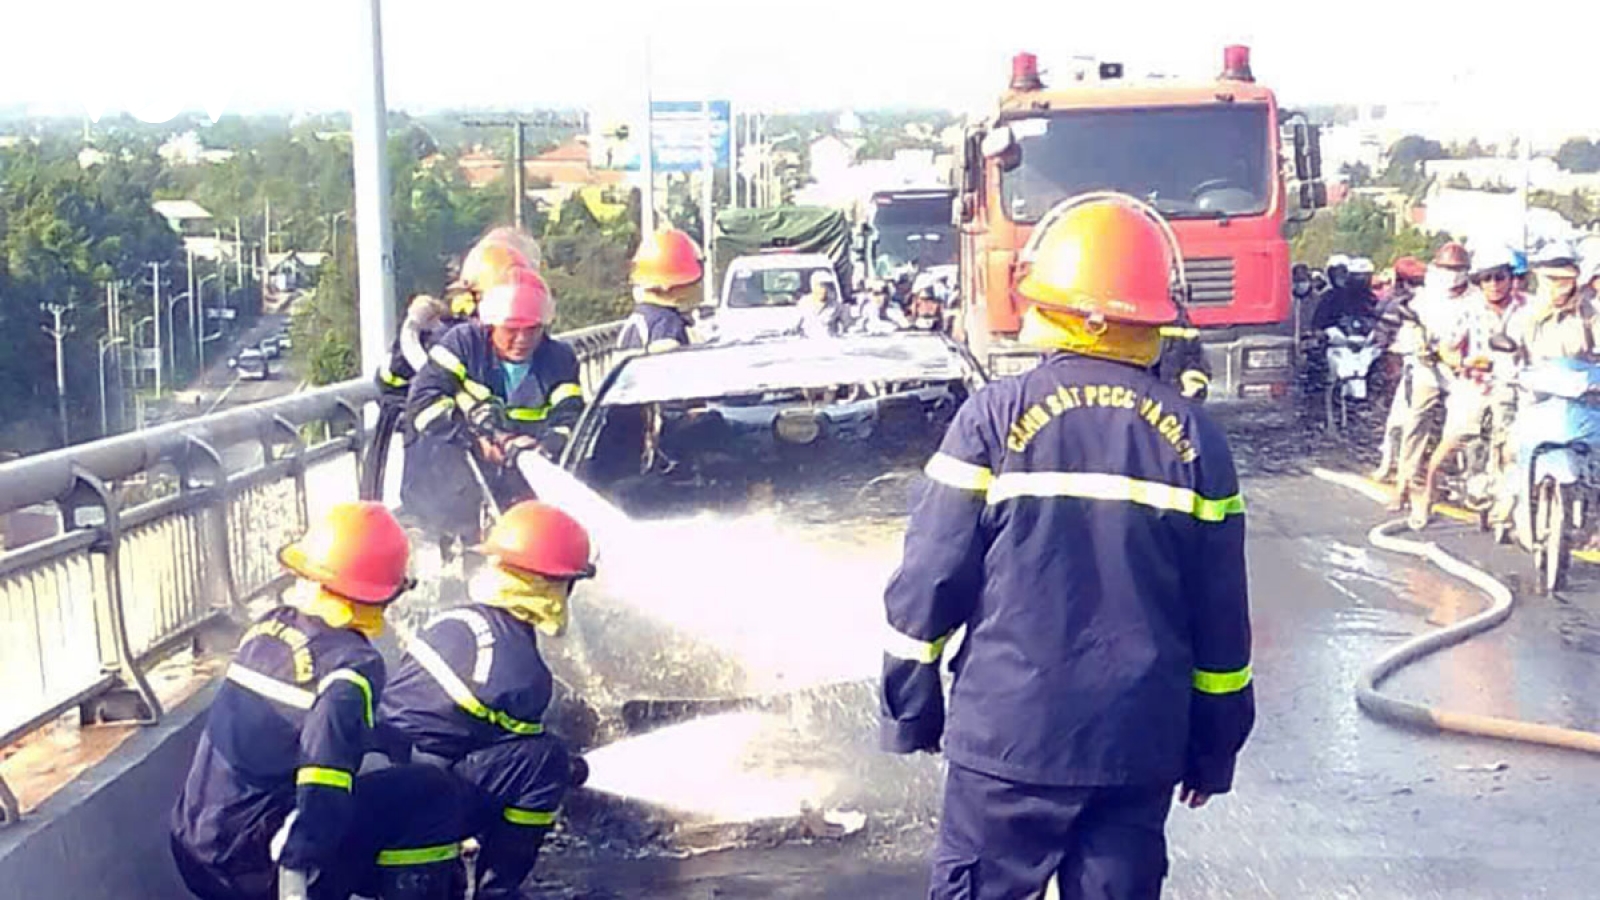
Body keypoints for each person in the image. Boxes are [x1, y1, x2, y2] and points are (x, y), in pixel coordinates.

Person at [880, 194, 1253, 900]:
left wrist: (911, 708)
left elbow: (929, 577)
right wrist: (1214, 747)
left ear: (1053, 304)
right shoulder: (1196, 440)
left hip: (1008, 739)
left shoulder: (993, 419)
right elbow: (1221, 619)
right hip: (1136, 744)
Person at [171, 503, 478, 900]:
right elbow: (324, 777)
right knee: (431, 792)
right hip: (259, 868)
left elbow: (307, 721)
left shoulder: (270, 626)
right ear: (385, 593)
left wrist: (397, 744)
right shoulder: (352, 665)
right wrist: (297, 874)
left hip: (197, 848)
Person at [380, 501, 594, 900]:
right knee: (546, 761)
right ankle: (498, 892)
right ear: (550, 585)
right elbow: (520, 761)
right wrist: (570, 768)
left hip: (380, 793)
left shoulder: (454, 621)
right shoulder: (522, 672)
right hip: (419, 811)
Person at [403, 268, 583, 552]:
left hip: (520, 491)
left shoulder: (559, 359)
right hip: (451, 489)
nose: (522, 339)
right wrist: (475, 442)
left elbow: (570, 418)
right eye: (511, 330)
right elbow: (423, 402)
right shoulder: (464, 345)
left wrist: (545, 446)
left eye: (532, 330)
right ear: (491, 324)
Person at [1414, 244, 1529, 529]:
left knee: (1515, 448)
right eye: (1486, 278)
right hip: (1475, 385)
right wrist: (1464, 362)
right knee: (1452, 441)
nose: (1493, 284)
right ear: (1478, 281)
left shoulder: (1529, 307)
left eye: (1499, 277)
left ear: (1510, 278)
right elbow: (1447, 347)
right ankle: (1427, 495)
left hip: (1517, 386)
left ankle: (1510, 507)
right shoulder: (1470, 309)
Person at [1389, 242, 1474, 502]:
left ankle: (1457, 480)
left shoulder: (1476, 299)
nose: (1452, 274)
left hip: (1462, 371)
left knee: (1463, 427)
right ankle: (1404, 482)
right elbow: (1410, 328)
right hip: (1428, 366)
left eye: (1457, 269)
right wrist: (1420, 346)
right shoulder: (1426, 297)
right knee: (1416, 420)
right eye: (1447, 268)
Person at [617, 228, 704, 353]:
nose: (698, 287)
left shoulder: (641, 317)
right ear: (672, 285)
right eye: (694, 281)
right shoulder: (668, 325)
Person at [1312, 256, 1378, 330]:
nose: (1360, 279)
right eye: (1356, 275)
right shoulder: (1330, 297)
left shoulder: (1371, 298)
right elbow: (1319, 320)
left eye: (1365, 275)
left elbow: (1376, 318)